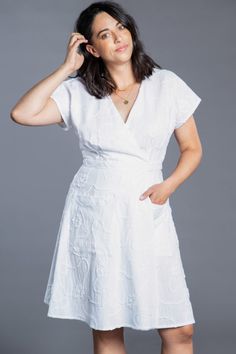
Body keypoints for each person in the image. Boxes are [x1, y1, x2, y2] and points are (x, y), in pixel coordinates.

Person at [10, 1, 203, 353]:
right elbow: (22, 113)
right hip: (97, 213)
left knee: (180, 331)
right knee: (108, 327)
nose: (117, 38)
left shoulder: (166, 84)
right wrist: (67, 67)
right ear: (91, 48)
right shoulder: (77, 91)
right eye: (104, 34)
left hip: (149, 209)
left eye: (121, 27)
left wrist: (169, 185)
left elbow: (192, 148)